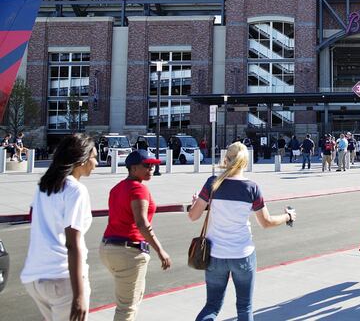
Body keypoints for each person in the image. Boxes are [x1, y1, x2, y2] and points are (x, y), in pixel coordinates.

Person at [189, 142, 294, 321]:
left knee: (212, 306)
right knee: (245, 306)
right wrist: (288, 217)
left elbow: (193, 215)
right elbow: (266, 222)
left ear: (225, 159)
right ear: (245, 163)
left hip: (215, 255)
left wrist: (199, 203)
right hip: (242, 254)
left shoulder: (212, 183)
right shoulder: (251, 188)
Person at [21, 134, 97, 321]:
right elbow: (73, 243)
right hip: (62, 280)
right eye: (94, 157)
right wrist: (79, 294)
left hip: (34, 278)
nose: (96, 163)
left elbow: (35, 219)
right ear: (82, 159)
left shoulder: (45, 186)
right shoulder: (76, 191)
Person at [101, 149, 172, 321]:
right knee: (127, 308)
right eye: (146, 166)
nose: (151, 170)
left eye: (153, 166)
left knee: (128, 299)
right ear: (133, 168)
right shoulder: (139, 189)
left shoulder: (116, 188)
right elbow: (142, 224)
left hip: (108, 248)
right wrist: (160, 251)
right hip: (129, 252)